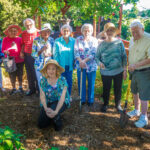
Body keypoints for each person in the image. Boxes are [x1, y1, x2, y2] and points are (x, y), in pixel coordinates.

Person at [96, 22, 127, 112]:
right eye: (108, 30)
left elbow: (124, 56)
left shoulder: (119, 43)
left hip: (118, 70)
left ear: (114, 32)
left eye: (111, 31)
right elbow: (97, 57)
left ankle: (117, 105)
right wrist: (100, 63)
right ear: (105, 32)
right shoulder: (101, 44)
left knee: (118, 89)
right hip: (106, 71)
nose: (109, 32)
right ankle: (105, 104)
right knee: (106, 89)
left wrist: (125, 69)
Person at [127, 20, 150, 128]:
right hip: (133, 70)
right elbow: (131, 53)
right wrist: (130, 65)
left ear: (142, 29)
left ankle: (144, 117)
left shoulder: (148, 39)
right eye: (133, 32)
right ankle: (136, 110)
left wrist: (135, 65)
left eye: (137, 31)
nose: (134, 34)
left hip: (144, 71)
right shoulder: (132, 39)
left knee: (144, 95)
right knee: (134, 91)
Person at [38, 59, 70, 131]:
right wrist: (45, 108)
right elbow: (42, 96)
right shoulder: (43, 80)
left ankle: (58, 123)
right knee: (41, 124)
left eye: (53, 69)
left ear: (56, 70)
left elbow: (62, 98)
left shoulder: (62, 80)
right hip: (48, 101)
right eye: (49, 69)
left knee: (53, 111)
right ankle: (51, 117)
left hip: (61, 101)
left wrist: (56, 111)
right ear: (46, 70)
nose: (51, 71)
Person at [74, 23, 98, 106]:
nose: (87, 32)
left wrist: (84, 60)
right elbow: (76, 51)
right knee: (81, 82)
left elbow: (94, 53)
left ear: (91, 31)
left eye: (88, 30)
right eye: (85, 30)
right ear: (82, 31)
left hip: (91, 65)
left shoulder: (94, 40)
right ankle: (82, 99)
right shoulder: (78, 39)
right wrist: (81, 61)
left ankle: (90, 100)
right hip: (80, 65)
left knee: (91, 83)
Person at [53, 24, 75, 98]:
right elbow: (55, 54)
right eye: (64, 30)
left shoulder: (73, 41)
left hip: (69, 65)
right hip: (60, 65)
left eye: (67, 30)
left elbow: (76, 52)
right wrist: (57, 64)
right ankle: (61, 96)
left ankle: (68, 96)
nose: (66, 32)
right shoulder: (57, 41)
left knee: (69, 81)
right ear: (61, 32)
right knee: (60, 81)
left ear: (70, 32)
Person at [2, 25, 24, 95]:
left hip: (19, 59)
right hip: (9, 59)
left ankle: (20, 88)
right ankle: (14, 88)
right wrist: (5, 51)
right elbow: (3, 49)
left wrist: (21, 52)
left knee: (20, 74)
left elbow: (23, 47)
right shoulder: (5, 39)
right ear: (8, 32)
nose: (13, 32)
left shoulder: (20, 39)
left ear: (17, 32)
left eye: (15, 31)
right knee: (12, 74)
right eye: (11, 31)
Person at [32, 23, 54, 89]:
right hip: (39, 65)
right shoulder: (36, 40)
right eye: (44, 31)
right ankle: (42, 97)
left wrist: (50, 54)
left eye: (48, 31)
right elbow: (33, 54)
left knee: (50, 80)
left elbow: (54, 52)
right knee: (40, 81)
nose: (46, 33)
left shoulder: (51, 40)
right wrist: (41, 50)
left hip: (49, 64)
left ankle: (49, 97)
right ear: (41, 32)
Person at [21, 18, 39, 96]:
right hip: (27, 55)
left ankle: (39, 90)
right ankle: (32, 89)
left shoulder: (38, 32)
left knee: (36, 73)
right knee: (29, 73)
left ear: (33, 24)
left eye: (30, 25)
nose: (28, 27)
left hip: (36, 56)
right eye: (26, 25)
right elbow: (23, 44)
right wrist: (21, 52)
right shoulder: (24, 33)